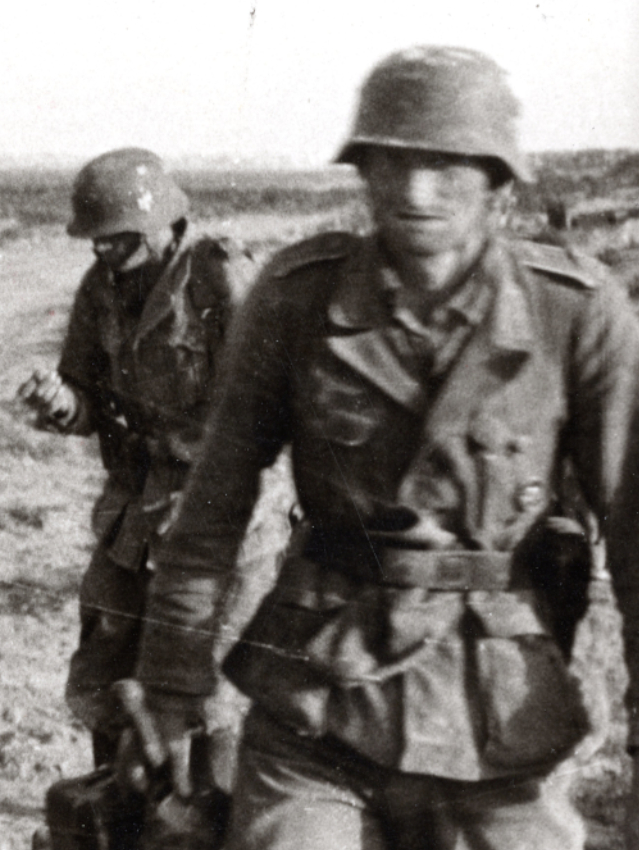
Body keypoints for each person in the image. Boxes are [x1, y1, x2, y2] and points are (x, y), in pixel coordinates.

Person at [127, 47, 639, 850]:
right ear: (363, 173)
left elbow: (635, 531)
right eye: (391, 164)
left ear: (498, 182)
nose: (414, 192)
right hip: (320, 706)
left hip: (500, 719)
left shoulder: (572, 313)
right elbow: (212, 508)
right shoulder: (299, 299)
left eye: (445, 167)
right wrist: (169, 684)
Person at [18, 147, 274, 768]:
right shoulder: (100, 288)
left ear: (158, 222)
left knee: (205, 690)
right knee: (104, 671)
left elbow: (272, 399)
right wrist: (61, 403)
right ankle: (114, 801)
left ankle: (207, 806)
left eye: (116, 237)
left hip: (220, 516)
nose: (102, 249)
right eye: (96, 239)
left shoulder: (218, 275)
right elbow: (84, 394)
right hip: (134, 515)